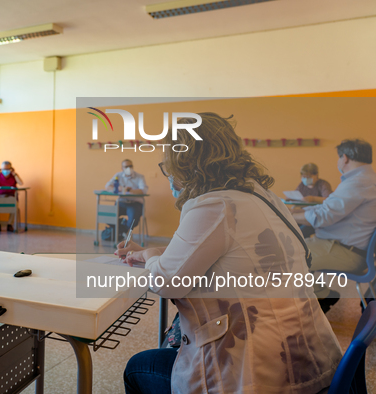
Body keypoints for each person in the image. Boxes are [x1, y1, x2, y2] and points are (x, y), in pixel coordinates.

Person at [117, 113, 341, 394]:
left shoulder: (214, 204)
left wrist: (151, 255)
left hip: (261, 374)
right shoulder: (260, 194)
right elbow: (227, 251)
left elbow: (166, 282)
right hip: (311, 360)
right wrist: (156, 253)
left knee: (138, 368)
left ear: (183, 161)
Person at [293, 139, 376, 311]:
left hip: (344, 251)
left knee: (283, 257)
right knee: (289, 249)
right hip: (344, 247)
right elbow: (328, 207)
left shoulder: (357, 183)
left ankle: (321, 294)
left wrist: (287, 215)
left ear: (344, 158)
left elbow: (323, 217)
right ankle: (318, 296)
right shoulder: (366, 179)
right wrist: (295, 214)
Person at [105, 159, 148, 238]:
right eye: (126, 166)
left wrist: (130, 190)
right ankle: (123, 229)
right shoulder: (118, 175)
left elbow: (143, 190)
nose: (129, 168)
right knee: (108, 217)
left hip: (134, 203)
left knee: (132, 222)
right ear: (122, 168)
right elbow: (108, 186)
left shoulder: (140, 177)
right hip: (121, 202)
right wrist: (120, 188)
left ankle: (121, 230)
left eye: (130, 166)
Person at [295, 163, 332, 238]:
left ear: (316, 175)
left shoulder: (323, 184)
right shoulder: (302, 185)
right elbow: (296, 195)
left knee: (301, 233)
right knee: (291, 226)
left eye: (308, 176)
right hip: (303, 213)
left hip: (316, 216)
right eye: (304, 176)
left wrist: (313, 199)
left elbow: (329, 200)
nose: (306, 179)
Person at [0, 161, 23, 232]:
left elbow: (21, 183)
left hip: (11, 196)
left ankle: (10, 225)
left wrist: (14, 174)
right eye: (3, 169)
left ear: (11, 169)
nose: (5, 170)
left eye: (7, 169)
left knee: (15, 204)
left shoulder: (14, 176)